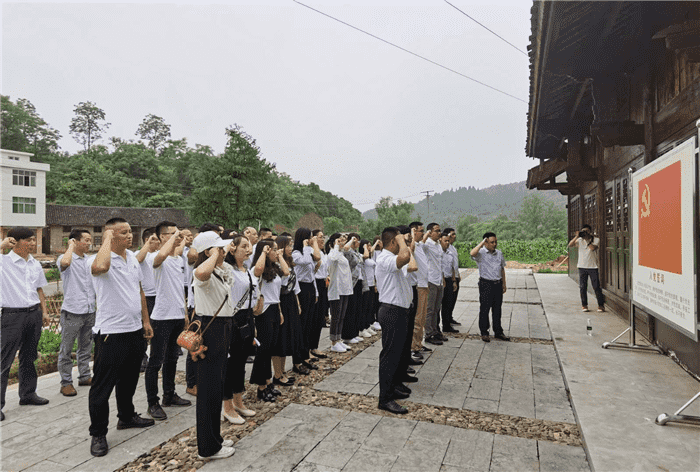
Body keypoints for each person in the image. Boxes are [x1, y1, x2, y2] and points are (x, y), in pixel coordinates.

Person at [88, 218, 155, 457]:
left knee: (128, 379)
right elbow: (101, 268)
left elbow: (140, 291)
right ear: (110, 235)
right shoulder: (98, 259)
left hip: (134, 330)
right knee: (102, 387)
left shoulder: (132, 260)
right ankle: (98, 433)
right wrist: (105, 239)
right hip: (110, 334)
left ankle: (126, 417)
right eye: (123, 233)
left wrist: (145, 321)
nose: (130, 236)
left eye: (130, 232)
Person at [191, 231, 236, 459]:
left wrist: (219, 253)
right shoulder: (203, 273)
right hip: (212, 329)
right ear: (209, 252)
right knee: (208, 389)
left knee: (216, 386)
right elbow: (200, 271)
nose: (224, 251)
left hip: (223, 327)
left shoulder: (220, 272)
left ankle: (214, 439)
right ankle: (207, 448)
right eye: (219, 248)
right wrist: (213, 253)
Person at [1, 228, 50, 422]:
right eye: (29, 240)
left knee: (29, 356)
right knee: (4, 361)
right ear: (16, 242)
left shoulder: (35, 263)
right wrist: (2, 245)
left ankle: (28, 394)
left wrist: (44, 311)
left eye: (33, 240)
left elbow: (39, 289)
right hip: (12, 315)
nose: (33, 243)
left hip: (33, 314)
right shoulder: (4, 262)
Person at [145, 222, 192, 422]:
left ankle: (169, 394)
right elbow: (160, 257)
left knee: (173, 359)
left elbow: (178, 288)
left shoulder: (178, 258)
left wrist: (185, 314)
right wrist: (175, 237)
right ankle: (152, 402)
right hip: (161, 317)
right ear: (162, 237)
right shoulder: (155, 259)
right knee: (155, 362)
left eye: (177, 233)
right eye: (171, 234)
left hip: (177, 315)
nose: (177, 237)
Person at [374, 227, 416, 414]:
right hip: (391, 311)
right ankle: (385, 398)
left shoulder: (391, 259)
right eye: (399, 242)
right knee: (389, 356)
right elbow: (406, 257)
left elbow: (410, 262)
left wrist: (405, 243)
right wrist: (402, 241)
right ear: (393, 243)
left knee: (398, 354)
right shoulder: (384, 259)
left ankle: (394, 386)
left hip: (399, 310)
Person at [222, 235, 257, 425]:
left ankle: (238, 401)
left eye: (249, 246)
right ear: (233, 249)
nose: (248, 249)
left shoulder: (246, 270)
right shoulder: (227, 269)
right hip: (232, 319)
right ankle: (227, 407)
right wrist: (226, 248)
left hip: (247, 317)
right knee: (230, 364)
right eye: (243, 246)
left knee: (241, 363)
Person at [57, 229, 96, 397]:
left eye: (90, 240)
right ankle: (66, 383)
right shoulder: (66, 258)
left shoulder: (89, 260)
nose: (89, 243)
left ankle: (85, 376)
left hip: (89, 310)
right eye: (86, 240)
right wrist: (70, 247)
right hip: (72, 311)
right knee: (66, 348)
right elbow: (65, 263)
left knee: (86, 346)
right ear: (75, 241)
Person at [251, 240, 289, 402]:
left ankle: (268, 383)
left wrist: (280, 311)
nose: (276, 251)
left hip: (274, 309)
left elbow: (286, 273)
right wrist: (264, 252)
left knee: (270, 349)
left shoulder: (274, 268)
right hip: (263, 311)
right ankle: (261, 387)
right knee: (263, 351)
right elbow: (258, 270)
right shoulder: (256, 269)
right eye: (273, 250)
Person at [274, 235, 306, 379]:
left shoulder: (289, 262)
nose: (291, 248)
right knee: (281, 338)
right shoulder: (277, 264)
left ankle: (284, 370)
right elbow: (279, 286)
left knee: (291, 335)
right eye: (288, 245)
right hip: (281, 301)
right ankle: (278, 373)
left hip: (291, 300)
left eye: (292, 245)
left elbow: (295, 285)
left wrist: (298, 303)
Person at [470, 232, 509, 343]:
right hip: (485, 284)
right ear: (486, 243)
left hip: (497, 284)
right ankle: (484, 332)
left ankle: (498, 331)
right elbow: (472, 253)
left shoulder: (499, 253)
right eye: (492, 242)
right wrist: (482, 243)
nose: (495, 244)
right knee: (485, 309)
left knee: (497, 309)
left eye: (496, 242)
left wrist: (504, 284)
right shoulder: (481, 253)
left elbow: (502, 269)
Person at [291, 228, 322, 368]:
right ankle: (299, 359)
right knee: (302, 325)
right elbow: (304, 262)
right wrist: (305, 247)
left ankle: (306, 355)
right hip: (301, 289)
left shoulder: (307, 251)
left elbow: (312, 272)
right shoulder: (296, 253)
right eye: (310, 237)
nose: (312, 240)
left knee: (309, 324)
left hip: (309, 287)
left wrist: (315, 292)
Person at [136, 227, 159, 373]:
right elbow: (138, 259)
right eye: (155, 239)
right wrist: (147, 245)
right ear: (147, 240)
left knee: (156, 328)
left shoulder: (159, 255)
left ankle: (155, 356)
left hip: (159, 297)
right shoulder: (138, 254)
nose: (158, 242)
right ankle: (141, 357)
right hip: (145, 297)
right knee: (143, 329)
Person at [326, 233, 354, 352]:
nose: (342, 243)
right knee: (336, 317)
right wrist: (336, 245)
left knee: (341, 316)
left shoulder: (341, 254)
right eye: (339, 241)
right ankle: (333, 342)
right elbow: (333, 258)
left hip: (344, 289)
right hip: (336, 289)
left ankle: (339, 339)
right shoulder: (332, 253)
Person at [568, 224, 605, 312]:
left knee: (596, 287)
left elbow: (592, 248)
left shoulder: (596, 239)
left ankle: (601, 305)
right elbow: (570, 245)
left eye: (587, 231)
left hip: (593, 267)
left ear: (590, 231)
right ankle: (584, 305)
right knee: (583, 287)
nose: (585, 233)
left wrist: (587, 239)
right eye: (583, 231)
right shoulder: (579, 240)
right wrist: (577, 236)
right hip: (582, 266)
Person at [408, 222, 430, 360]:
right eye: (421, 231)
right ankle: (413, 347)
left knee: (422, 319)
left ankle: (419, 344)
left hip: (424, 284)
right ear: (414, 232)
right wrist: (411, 234)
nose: (423, 233)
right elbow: (410, 248)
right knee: (417, 318)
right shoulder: (413, 246)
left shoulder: (420, 245)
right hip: (418, 285)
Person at [422, 223, 446, 345]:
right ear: (430, 232)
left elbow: (440, 263)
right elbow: (420, 244)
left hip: (438, 280)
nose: (439, 233)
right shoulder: (427, 244)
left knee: (436, 309)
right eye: (437, 231)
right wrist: (426, 234)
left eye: (439, 230)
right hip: (430, 280)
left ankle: (436, 331)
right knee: (430, 309)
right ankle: (429, 334)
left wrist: (442, 279)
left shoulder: (438, 245)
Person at [310, 229, 330, 358]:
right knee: (312, 319)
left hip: (323, 284)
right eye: (320, 237)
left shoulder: (323, 253)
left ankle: (314, 346)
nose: (322, 240)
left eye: (323, 237)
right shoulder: (311, 252)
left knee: (319, 318)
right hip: (314, 283)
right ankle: (308, 348)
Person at [342, 234, 364, 345]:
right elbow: (346, 249)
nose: (358, 243)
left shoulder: (356, 252)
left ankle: (355, 333)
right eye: (356, 241)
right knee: (350, 309)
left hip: (358, 282)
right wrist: (351, 240)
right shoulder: (348, 252)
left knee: (356, 309)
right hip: (351, 282)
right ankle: (347, 335)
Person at [440, 230, 459, 334]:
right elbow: (439, 267)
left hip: (449, 279)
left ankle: (447, 325)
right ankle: (435, 328)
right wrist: (442, 279)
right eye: (445, 241)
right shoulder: (438, 253)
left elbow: (452, 268)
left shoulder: (450, 252)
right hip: (441, 280)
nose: (447, 242)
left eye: (448, 241)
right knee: (437, 306)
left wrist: (454, 281)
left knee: (448, 304)